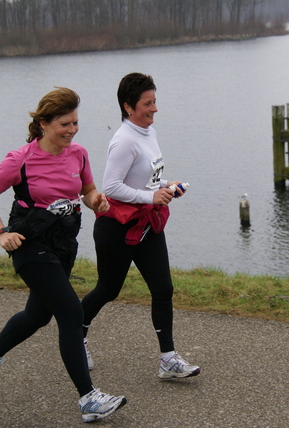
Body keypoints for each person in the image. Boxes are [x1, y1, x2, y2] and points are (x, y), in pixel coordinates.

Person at [0, 87, 126, 423]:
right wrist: (1, 233)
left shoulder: (79, 154)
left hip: (63, 244)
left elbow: (86, 191)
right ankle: (88, 399)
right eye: (64, 124)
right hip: (28, 242)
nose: (72, 130)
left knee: (38, 316)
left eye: (75, 123)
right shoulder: (21, 159)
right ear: (43, 123)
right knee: (71, 312)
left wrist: (96, 201)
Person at [80, 72, 201, 379]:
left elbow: (147, 176)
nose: (154, 109)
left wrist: (165, 185)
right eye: (148, 104)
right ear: (128, 107)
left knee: (163, 289)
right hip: (116, 227)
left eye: (155, 101)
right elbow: (111, 186)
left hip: (146, 224)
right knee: (108, 290)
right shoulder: (123, 140)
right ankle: (75, 336)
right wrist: (150, 196)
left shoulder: (148, 132)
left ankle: (168, 359)